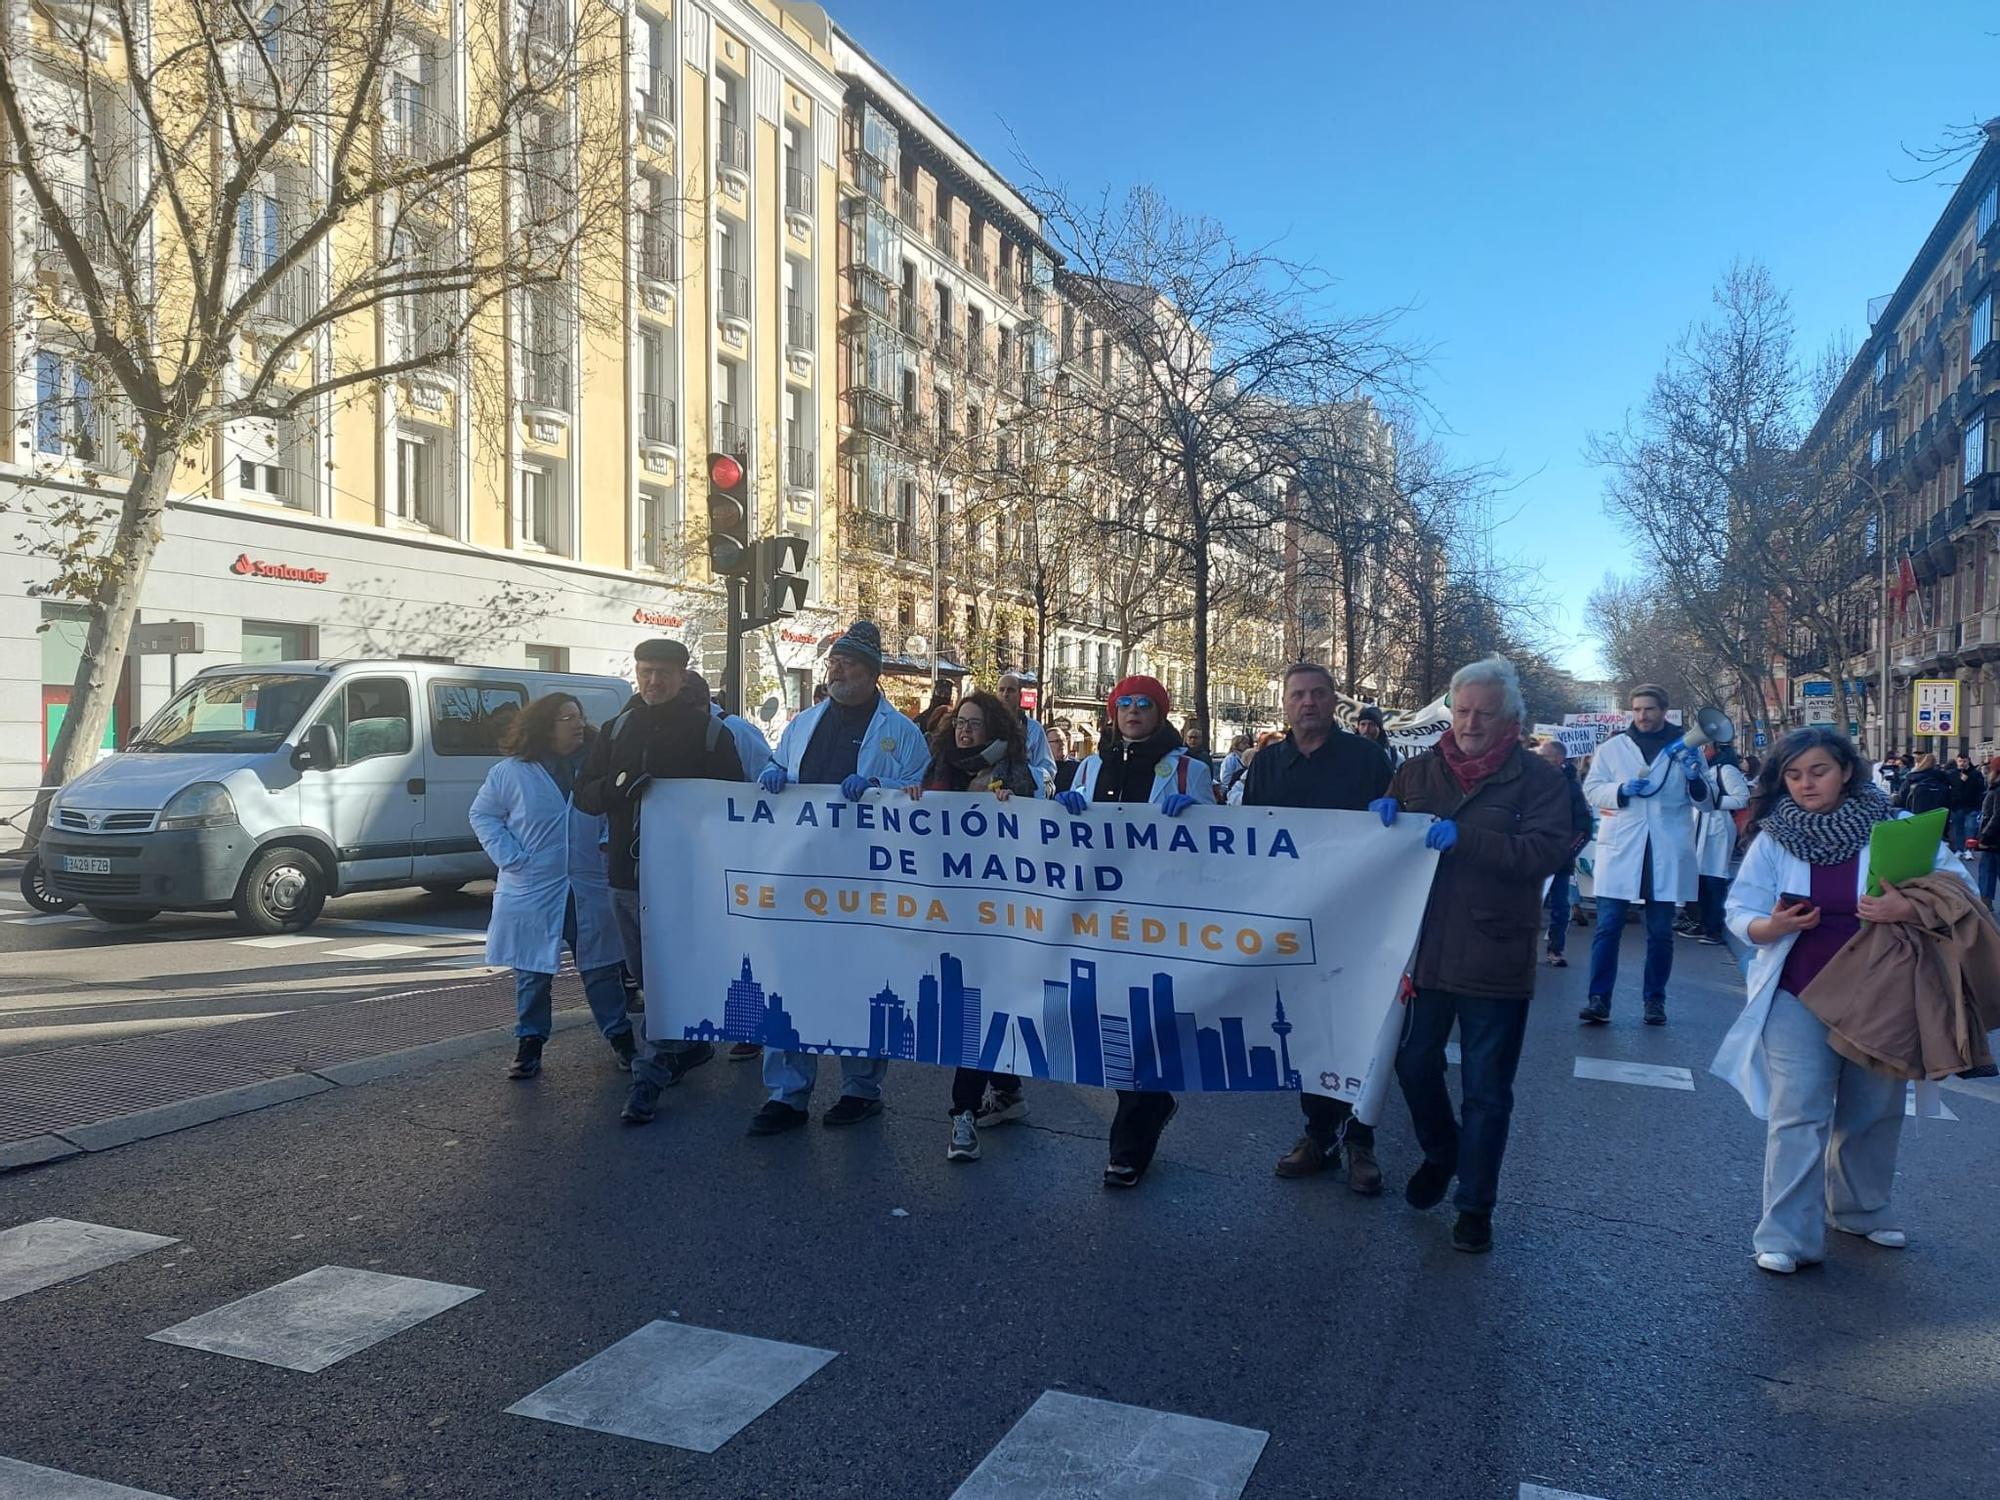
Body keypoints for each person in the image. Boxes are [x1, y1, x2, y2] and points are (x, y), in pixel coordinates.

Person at [1713, 727, 1972, 1275]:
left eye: (1819, 771)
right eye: (1794, 774)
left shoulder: (1898, 829)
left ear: (1847, 771)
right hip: (1797, 989)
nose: (1807, 784)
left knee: (1874, 1108)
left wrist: (1906, 910)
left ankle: (1859, 1210)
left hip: (1881, 991)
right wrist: (1771, 925)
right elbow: (1739, 910)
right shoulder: (1774, 837)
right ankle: (1786, 1236)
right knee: (1798, 1112)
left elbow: (1958, 886)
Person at [1373, 656, 1571, 1253]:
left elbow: (1547, 852)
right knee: (1413, 1064)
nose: (1471, 722)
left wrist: (1471, 840)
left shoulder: (1539, 781)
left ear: (1509, 716)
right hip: (1429, 948)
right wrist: (1376, 819)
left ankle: (1474, 1205)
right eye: (1462, 710)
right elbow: (1386, 840)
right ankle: (1444, 1151)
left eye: (1485, 712)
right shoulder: (1416, 772)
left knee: (1486, 1089)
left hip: (1494, 952)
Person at [751, 621, 928, 1133]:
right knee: (787, 979)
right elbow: (775, 768)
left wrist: (879, 787)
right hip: (800, 875)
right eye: (833, 661)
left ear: (872, 674)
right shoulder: (802, 723)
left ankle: (860, 1088)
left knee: (863, 982)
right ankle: (787, 1092)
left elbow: (922, 797)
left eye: (847, 662)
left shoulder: (902, 733)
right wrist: (773, 776)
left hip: (863, 882)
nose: (836, 668)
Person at [574, 640, 745, 1124]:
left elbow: (733, 806)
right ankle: (686, 1047)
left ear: (681, 677)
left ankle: (649, 1078)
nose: (653, 681)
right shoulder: (616, 729)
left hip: (683, 881)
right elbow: (584, 793)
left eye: (663, 674)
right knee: (647, 976)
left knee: (667, 978)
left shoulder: (711, 734)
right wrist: (617, 788)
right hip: (625, 878)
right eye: (646, 672)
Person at [1055, 674, 1213, 1187]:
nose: (1134, 711)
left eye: (1145, 703)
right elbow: (1066, 838)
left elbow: (1221, 842)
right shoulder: (1091, 765)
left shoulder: (1188, 770)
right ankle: (1152, 1102)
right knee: (1111, 1022)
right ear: (1113, 711)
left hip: (1160, 917)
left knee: (1144, 1020)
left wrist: (1199, 814)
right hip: (1101, 916)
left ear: (1161, 713)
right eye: (1125, 703)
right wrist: (1062, 808)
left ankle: (1129, 1146)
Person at [1247, 663, 1393, 1191]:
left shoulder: (1369, 759)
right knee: (1311, 1030)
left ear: (1335, 701)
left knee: (1361, 1028)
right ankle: (1319, 1134)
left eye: (1317, 693)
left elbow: (1393, 832)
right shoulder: (1267, 763)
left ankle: (1361, 1139)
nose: (1307, 702)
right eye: (1297, 695)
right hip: (1295, 919)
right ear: (1284, 704)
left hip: (1357, 920)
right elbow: (1250, 839)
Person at [907, 689, 1044, 1163]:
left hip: (993, 914)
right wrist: (911, 801)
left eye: (976, 724)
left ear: (996, 730)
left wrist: (1013, 809)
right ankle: (1007, 1091)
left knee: (975, 1008)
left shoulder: (1012, 772)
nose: (965, 730)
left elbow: (1030, 839)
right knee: (973, 1004)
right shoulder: (939, 765)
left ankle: (962, 1114)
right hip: (946, 907)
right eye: (961, 722)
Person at [470, 694, 637, 1081]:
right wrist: (512, 857)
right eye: (567, 718)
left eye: (579, 716)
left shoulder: (598, 768)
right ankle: (529, 1044)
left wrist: (608, 840)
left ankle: (621, 1038)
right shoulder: (510, 772)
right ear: (546, 726)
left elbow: (617, 812)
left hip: (586, 883)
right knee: (532, 972)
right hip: (533, 884)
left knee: (600, 970)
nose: (578, 724)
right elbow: (483, 815)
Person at [1580, 685, 1711, 1026]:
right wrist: (1620, 790)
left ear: (1664, 709)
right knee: (1607, 928)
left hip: (1665, 848)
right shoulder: (1612, 748)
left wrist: (1695, 778)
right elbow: (1592, 790)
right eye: (1636, 709)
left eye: (1649, 709)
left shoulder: (1687, 748)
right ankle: (1599, 999)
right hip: (1623, 847)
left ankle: (1655, 1000)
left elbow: (1706, 802)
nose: (1642, 716)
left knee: (1661, 933)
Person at [1535, 738, 1594, 968]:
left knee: (1560, 906)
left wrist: (1566, 852)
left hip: (1559, 859)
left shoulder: (1571, 787)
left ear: (1559, 759)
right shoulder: (1530, 781)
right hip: (1532, 856)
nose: (1539, 760)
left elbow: (1584, 825)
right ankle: (1523, 950)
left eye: (1545, 757)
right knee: (1527, 906)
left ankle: (1555, 950)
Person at [1686, 742, 1751, 944]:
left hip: (1718, 827)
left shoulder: (1726, 769)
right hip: (1700, 826)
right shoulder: (1704, 769)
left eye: (1705, 747)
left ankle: (1715, 928)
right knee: (1701, 879)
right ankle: (1702, 923)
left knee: (1715, 878)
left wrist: (1713, 802)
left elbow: (1742, 798)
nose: (1702, 751)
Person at [998, 671, 1056, 794]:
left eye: (1010, 690)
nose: (1005, 694)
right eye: (1001, 690)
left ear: (1020, 695)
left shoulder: (1034, 728)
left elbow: (1048, 770)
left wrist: (1022, 773)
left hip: (1023, 802)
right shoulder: (985, 726)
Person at [1945, 751, 1985, 850]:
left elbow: (1980, 788)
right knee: (1958, 828)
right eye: (1960, 761)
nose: (1962, 763)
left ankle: (1968, 850)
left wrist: (1969, 780)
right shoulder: (1952, 774)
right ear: (1956, 762)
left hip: (1972, 806)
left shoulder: (1975, 774)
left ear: (1968, 761)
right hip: (1957, 805)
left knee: (1970, 828)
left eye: (1964, 761)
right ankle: (1959, 849)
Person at [1977, 759, 2000, 908]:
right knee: (1988, 868)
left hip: (1994, 838)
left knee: (1987, 869)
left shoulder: (1998, 789)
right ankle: (1985, 901)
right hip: (1994, 836)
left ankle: (1985, 901)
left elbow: (1997, 815)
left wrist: (1985, 835)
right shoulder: (1995, 788)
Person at [1049, 726, 1081, 794]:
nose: (1062, 744)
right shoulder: (1042, 769)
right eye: (1057, 741)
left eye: (1064, 740)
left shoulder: (1078, 768)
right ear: (1046, 745)